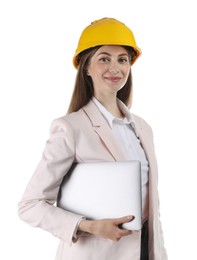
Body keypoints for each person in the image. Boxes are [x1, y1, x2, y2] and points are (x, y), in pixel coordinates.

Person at [18, 17, 168, 260]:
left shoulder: (142, 128)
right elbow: (30, 205)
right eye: (104, 58)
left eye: (123, 59)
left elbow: (151, 207)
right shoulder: (70, 128)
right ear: (86, 67)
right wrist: (88, 225)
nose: (115, 68)